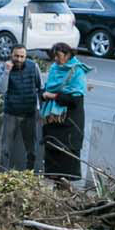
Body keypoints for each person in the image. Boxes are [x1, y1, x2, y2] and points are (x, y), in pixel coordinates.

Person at [39, 42, 89, 180]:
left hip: (69, 123)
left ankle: (65, 187)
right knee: (53, 156)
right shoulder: (55, 68)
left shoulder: (77, 72)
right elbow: (46, 88)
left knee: (66, 158)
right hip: (53, 122)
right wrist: (44, 94)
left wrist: (53, 96)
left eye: (58, 56)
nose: (55, 59)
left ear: (68, 55)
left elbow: (75, 100)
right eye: (54, 56)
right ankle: (56, 186)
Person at [0, 44, 42, 170]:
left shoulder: (33, 66)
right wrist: (7, 72)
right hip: (10, 113)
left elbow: (40, 87)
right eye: (16, 56)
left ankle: (29, 174)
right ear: (11, 55)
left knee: (31, 148)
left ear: (26, 56)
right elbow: (1, 89)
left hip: (29, 113)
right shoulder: (4, 68)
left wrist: (40, 110)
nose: (19, 59)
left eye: (22, 56)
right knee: (5, 147)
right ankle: (2, 174)